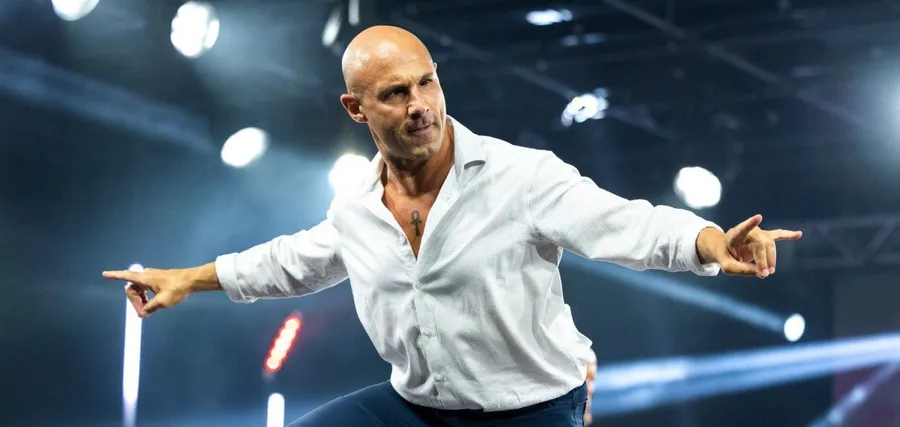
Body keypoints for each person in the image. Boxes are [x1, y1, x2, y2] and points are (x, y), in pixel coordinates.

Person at [103, 25, 802, 427]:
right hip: (418, 409)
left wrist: (713, 242)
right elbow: (291, 262)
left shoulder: (519, 175)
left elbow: (626, 224)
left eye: (427, 82)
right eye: (395, 93)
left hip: (529, 410)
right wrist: (187, 279)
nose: (420, 106)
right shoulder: (357, 206)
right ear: (356, 108)